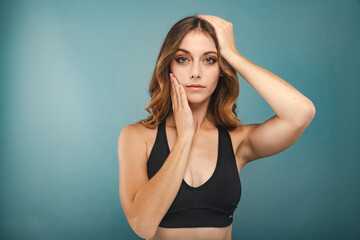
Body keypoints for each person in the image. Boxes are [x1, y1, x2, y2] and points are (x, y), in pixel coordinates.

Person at [117, 14, 315, 240]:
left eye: (209, 59)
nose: (195, 72)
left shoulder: (237, 141)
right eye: (183, 59)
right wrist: (184, 139)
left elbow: (301, 112)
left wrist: (232, 55)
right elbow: (143, 225)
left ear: (221, 68)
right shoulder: (136, 137)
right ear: (168, 66)